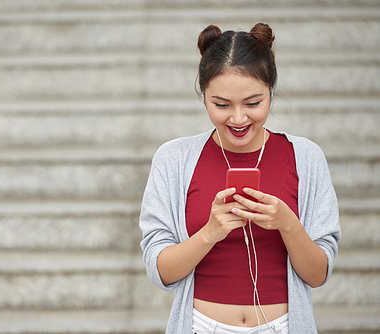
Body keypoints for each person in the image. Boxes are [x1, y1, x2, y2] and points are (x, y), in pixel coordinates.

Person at [139, 23, 341, 334]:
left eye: (253, 103)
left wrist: (287, 223)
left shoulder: (305, 157)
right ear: (203, 93)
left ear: (271, 91)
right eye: (221, 105)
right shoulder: (173, 159)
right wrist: (210, 232)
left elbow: (317, 275)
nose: (237, 119)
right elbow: (160, 272)